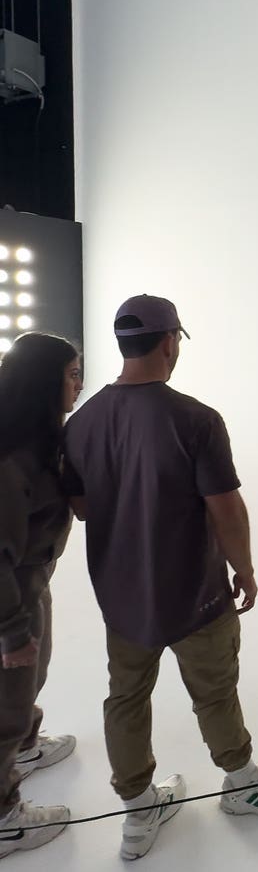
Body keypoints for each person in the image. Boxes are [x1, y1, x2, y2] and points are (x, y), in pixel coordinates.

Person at [63, 295, 258, 862]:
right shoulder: (196, 419)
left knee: (125, 697)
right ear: (171, 342)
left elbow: (81, 507)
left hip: (121, 597)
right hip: (195, 593)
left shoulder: (83, 422)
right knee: (215, 690)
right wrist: (244, 567)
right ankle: (242, 785)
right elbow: (226, 508)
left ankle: (138, 810)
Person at [0, 333, 82, 860]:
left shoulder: (39, 439)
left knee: (32, 677)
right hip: (9, 596)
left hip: (31, 584)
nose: (79, 384)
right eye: (72, 374)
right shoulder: (11, 459)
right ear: (43, 382)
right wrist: (11, 632)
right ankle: (5, 820)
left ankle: (24, 748)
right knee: (5, 703)